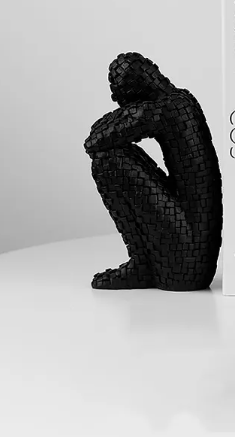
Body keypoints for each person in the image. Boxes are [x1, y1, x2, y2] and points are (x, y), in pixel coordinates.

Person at [84, 52, 222, 291]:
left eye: (122, 96)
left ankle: (143, 264)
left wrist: (128, 113)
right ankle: (145, 263)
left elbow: (96, 140)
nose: (120, 103)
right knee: (116, 155)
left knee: (108, 160)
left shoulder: (168, 106)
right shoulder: (182, 101)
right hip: (195, 249)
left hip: (187, 254)